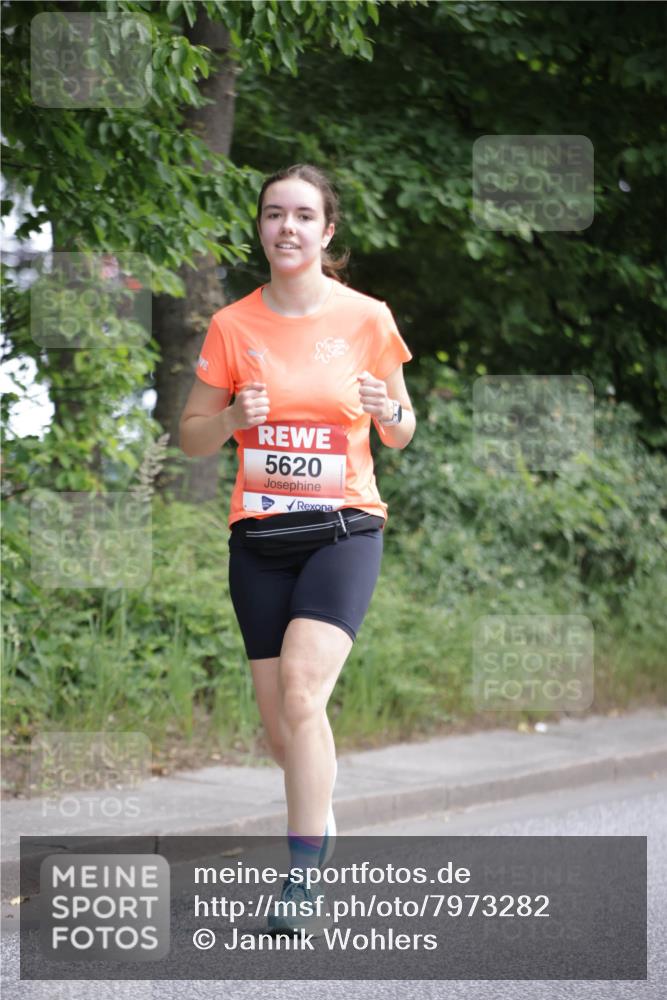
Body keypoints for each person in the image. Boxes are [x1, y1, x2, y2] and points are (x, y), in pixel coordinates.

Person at [179, 163, 415, 935]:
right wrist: (231, 417)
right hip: (259, 538)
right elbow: (190, 439)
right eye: (274, 214)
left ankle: (302, 878)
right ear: (261, 227)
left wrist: (388, 412)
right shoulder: (232, 326)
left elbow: (401, 427)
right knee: (281, 728)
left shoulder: (366, 319)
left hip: (342, 528)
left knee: (303, 696)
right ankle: (321, 814)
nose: (287, 227)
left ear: (327, 231)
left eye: (303, 216)